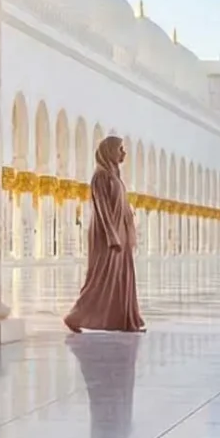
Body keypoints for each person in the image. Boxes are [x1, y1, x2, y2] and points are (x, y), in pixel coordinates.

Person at [65, 135, 144, 333]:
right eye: (120, 149)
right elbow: (102, 209)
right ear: (109, 151)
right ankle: (75, 317)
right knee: (101, 278)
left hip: (120, 233)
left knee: (122, 276)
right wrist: (112, 236)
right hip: (106, 236)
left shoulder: (115, 176)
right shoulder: (101, 176)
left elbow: (123, 206)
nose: (123, 153)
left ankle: (126, 321)